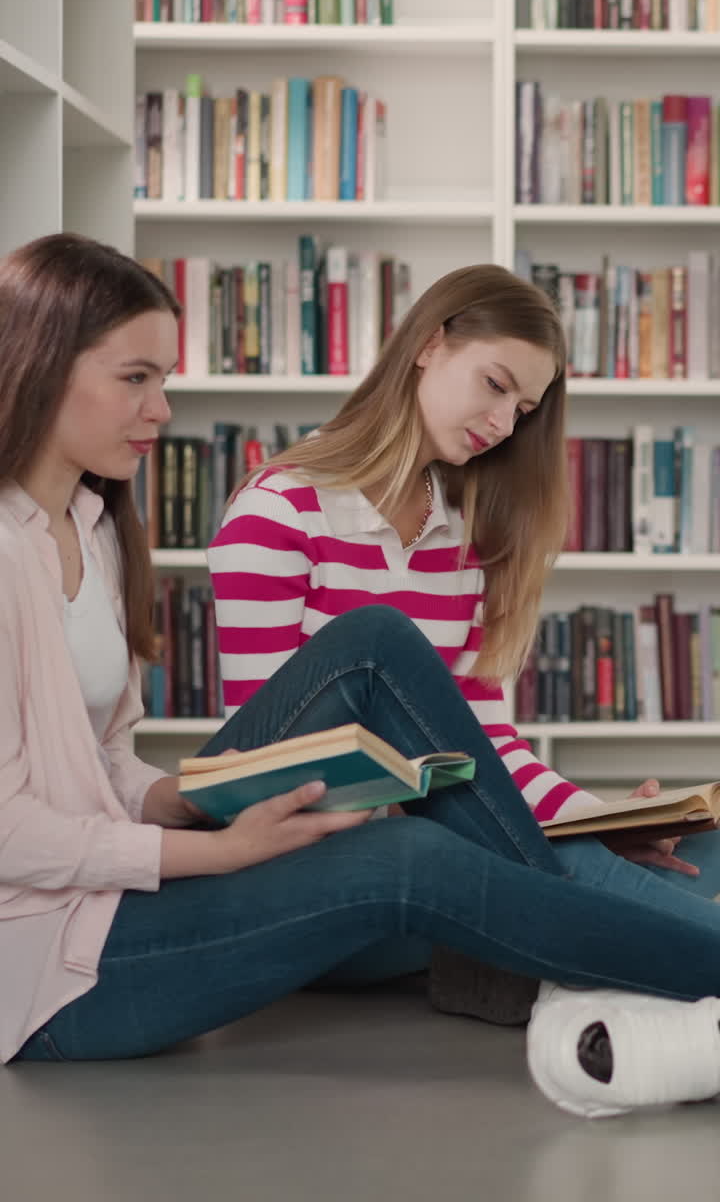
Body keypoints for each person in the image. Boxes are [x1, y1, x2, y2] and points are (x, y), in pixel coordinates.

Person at [3, 236, 720, 1124]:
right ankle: (570, 945)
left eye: (524, 407)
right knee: (381, 658)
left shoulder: (97, 526)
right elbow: (267, 747)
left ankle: (541, 935)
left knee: (681, 851)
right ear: (431, 342)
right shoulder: (273, 507)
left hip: (195, 874)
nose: (163, 407)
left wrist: (591, 817)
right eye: (138, 378)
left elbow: (479, 745)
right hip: (145, 907)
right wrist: (207, 844)